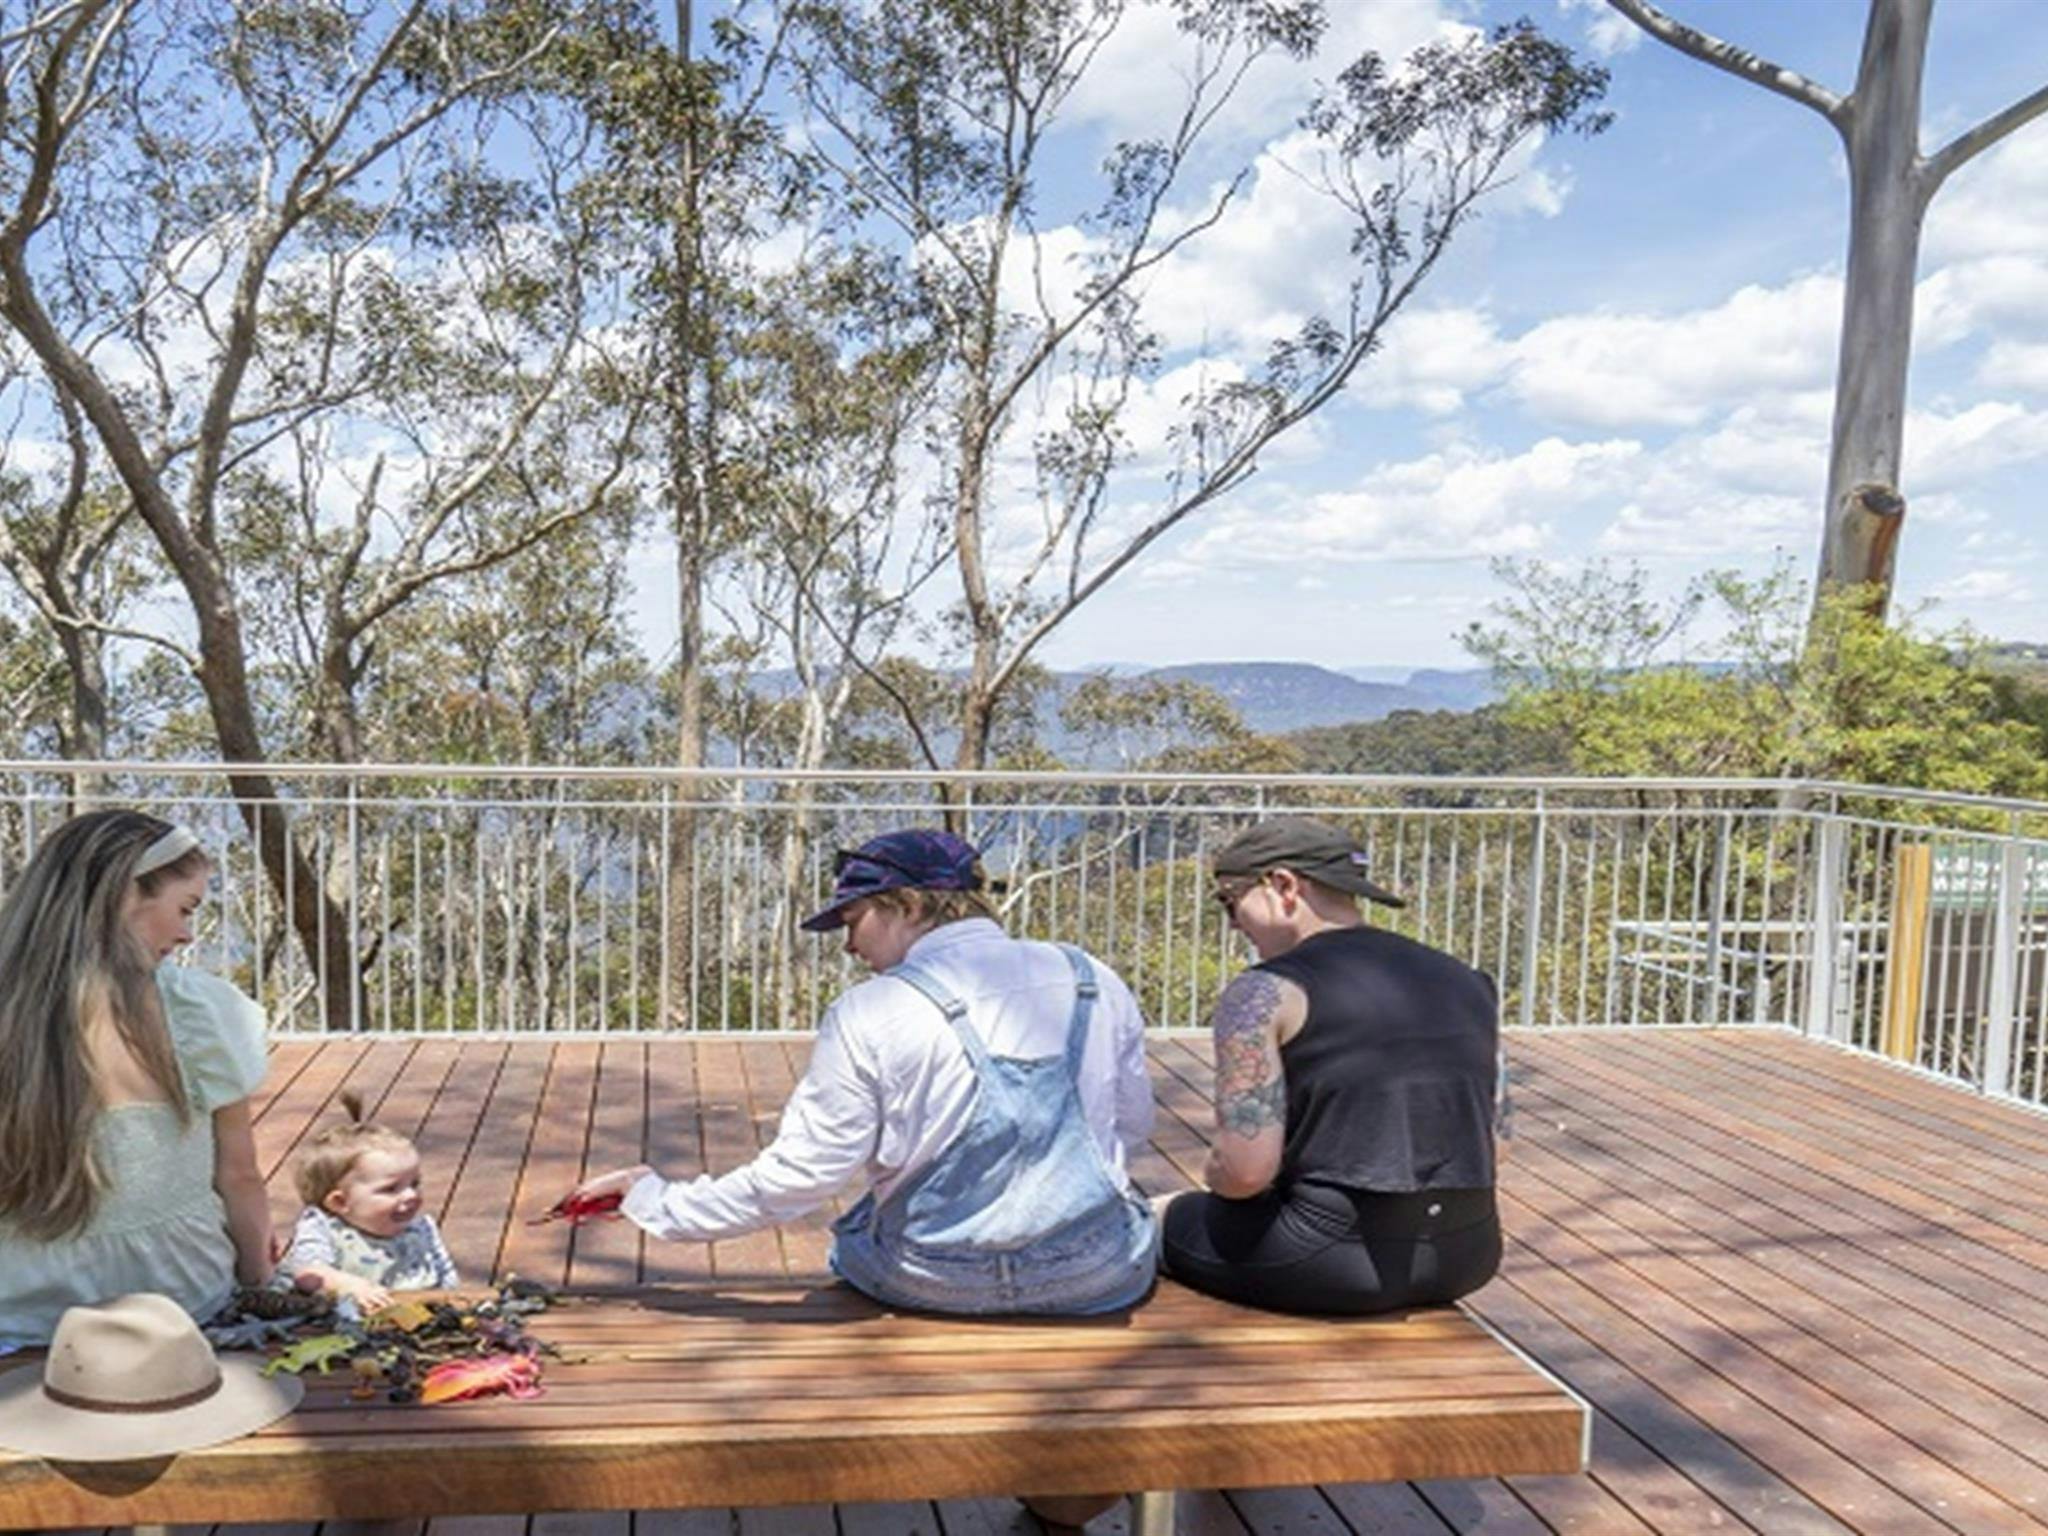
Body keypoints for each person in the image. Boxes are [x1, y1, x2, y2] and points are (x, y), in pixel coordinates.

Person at [564, 828, 1158, 1318]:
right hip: (1092, 1277)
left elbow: (801, 1177)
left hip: (934, 1282)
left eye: (853, 919)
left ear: (911, 906)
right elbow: (1128, 1127)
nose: (848, 944)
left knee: (858, 1226)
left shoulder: (870, 1010)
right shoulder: (1092, 978)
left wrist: (655, 1201)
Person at [1159, 816, 1502, 1316]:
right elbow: (1500, 1143)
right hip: (1468, 1255)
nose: (1235, 925)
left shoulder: (1262, 993)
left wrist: (1210, 1176)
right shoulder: (1469, 982)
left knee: (1156, 1217)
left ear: (1283, 886)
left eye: (1230, 903)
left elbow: (1245, 1172)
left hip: (1327, 1260)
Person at [0, 810, 277, 1346]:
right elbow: (239, 1175)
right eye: (184, 909)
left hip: (19, 1315)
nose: (187, 933)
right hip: (179, 1307)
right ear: (126, 895)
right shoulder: (200, 1013)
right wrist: (259, 1280)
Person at [275, 1090, 459, 1311]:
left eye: (414, 1184)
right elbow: (307, 1272)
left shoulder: (421, 1228)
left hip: (423, 1319)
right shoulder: (324, 1229)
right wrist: (348, 1285)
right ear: (340, 1203)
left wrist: (453, 1302)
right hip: (350, 1324)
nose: (411, 1195)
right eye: (391, 1189)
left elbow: (448, 1281)